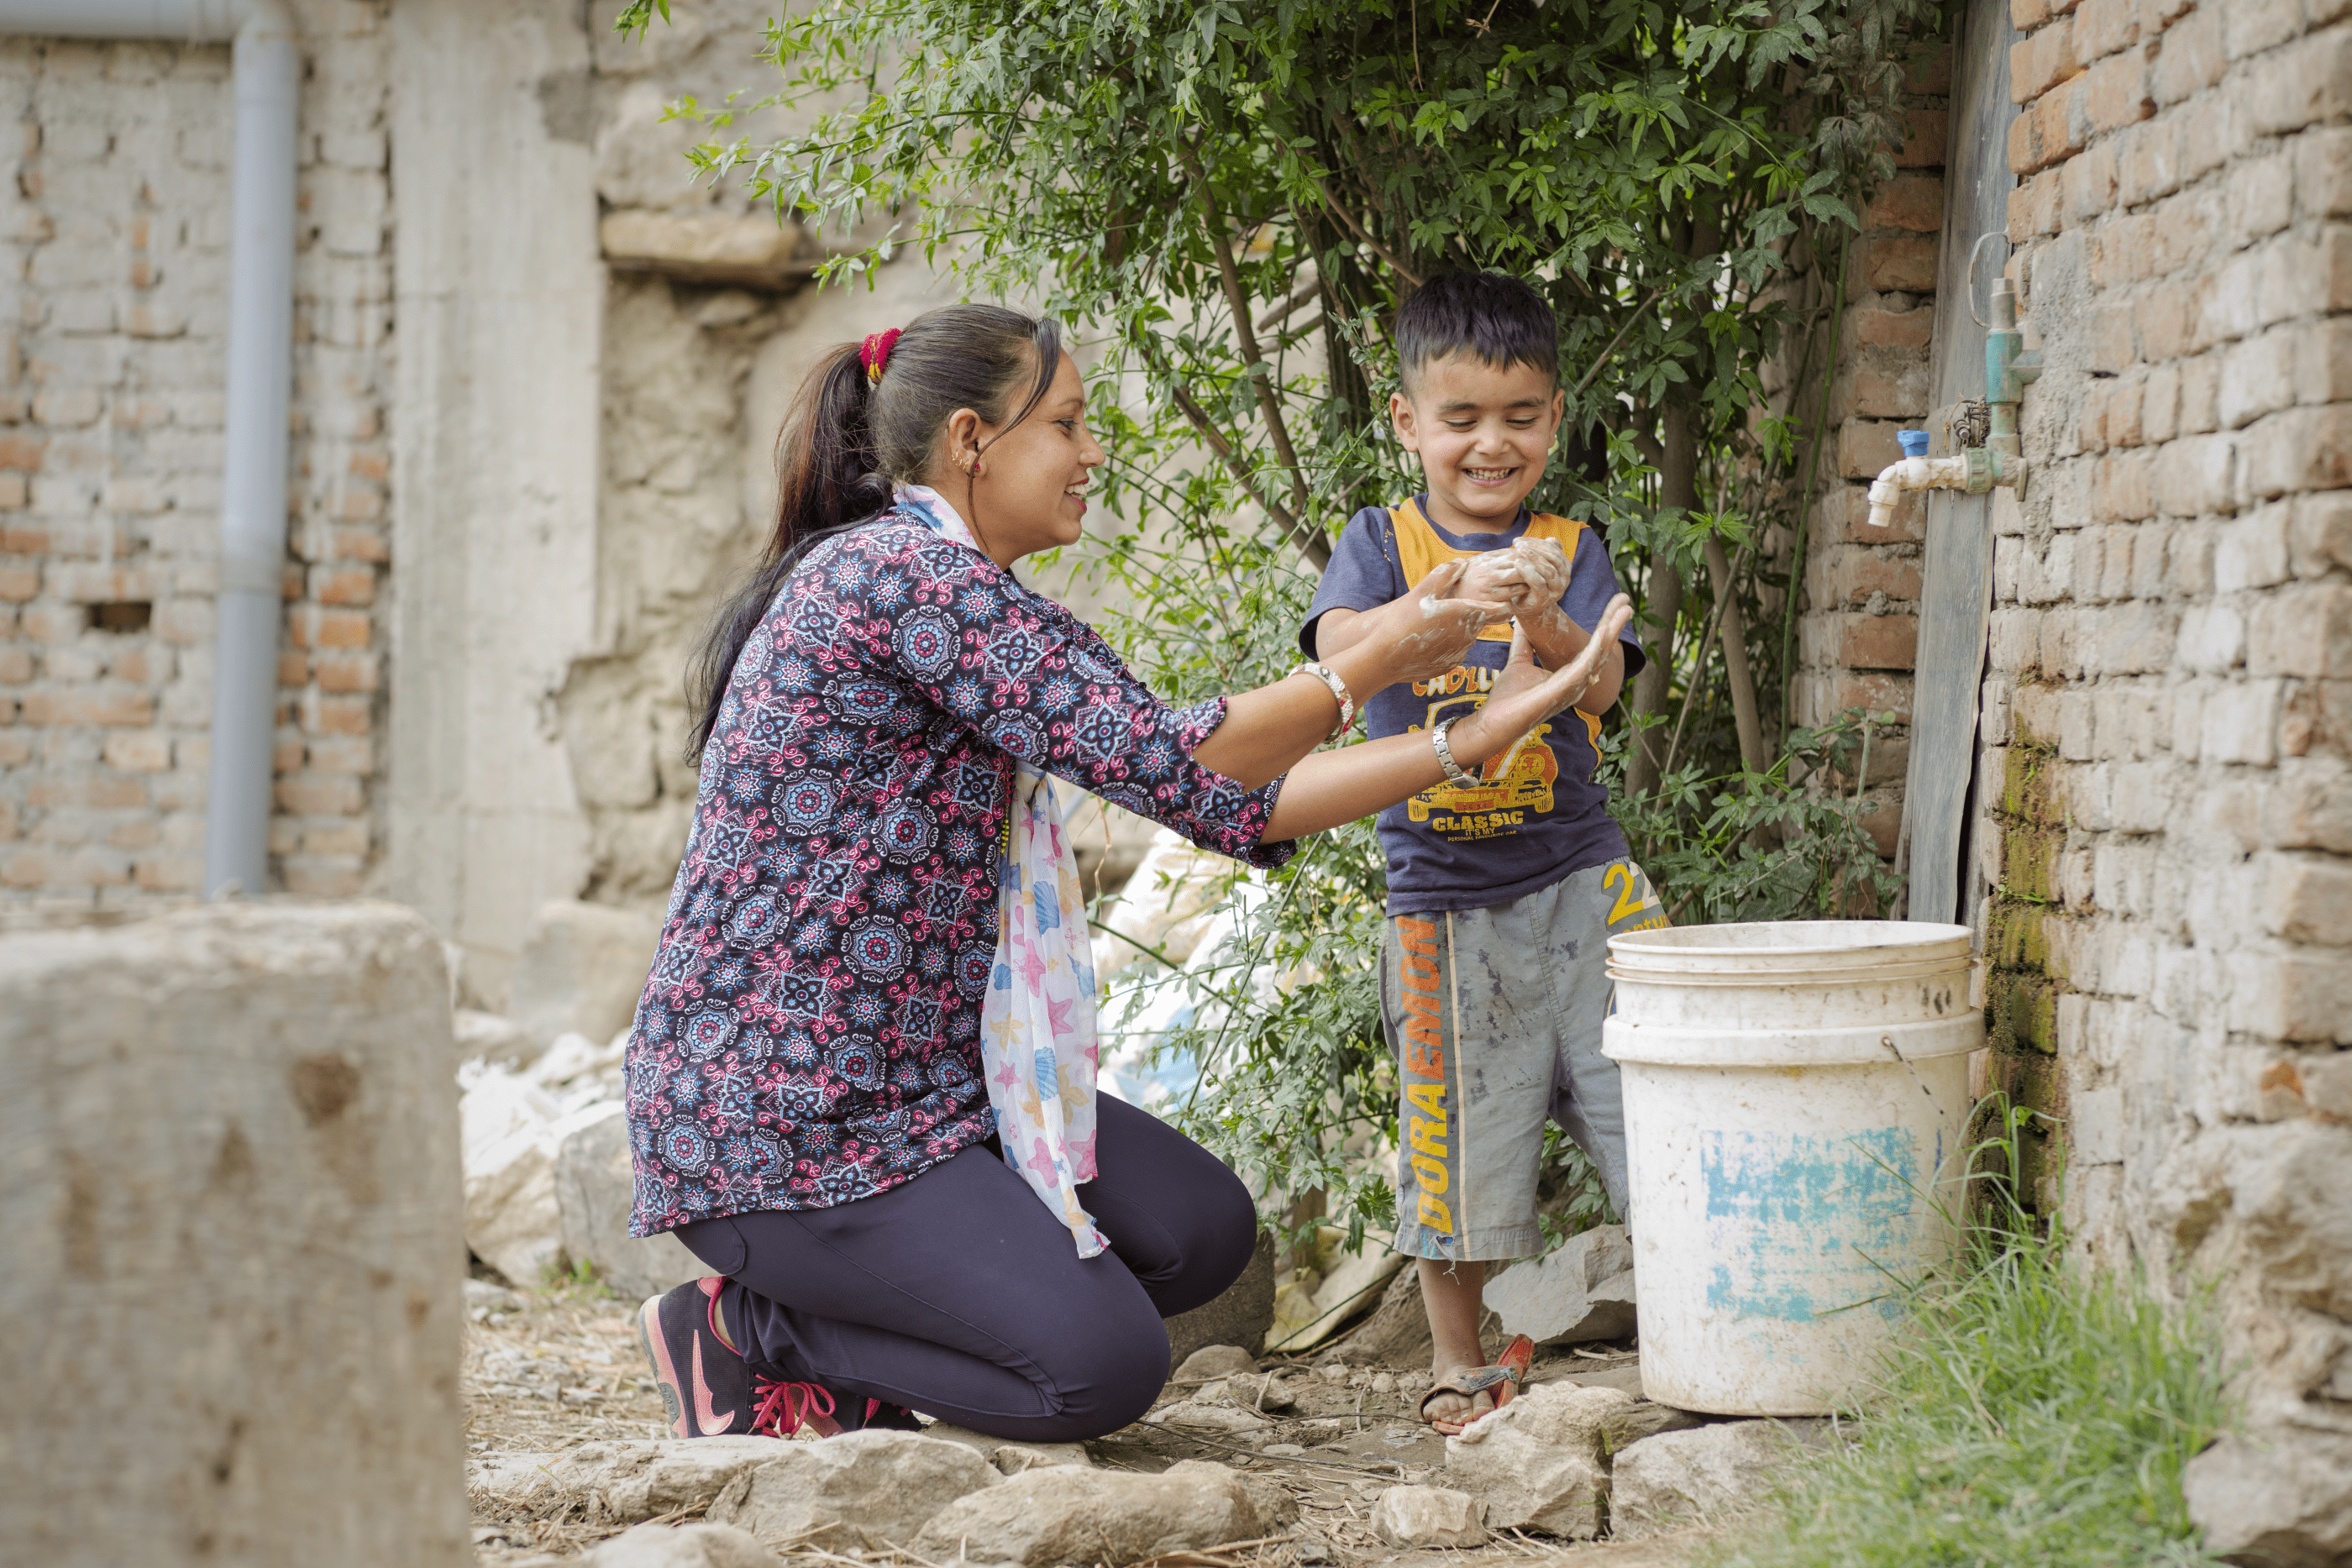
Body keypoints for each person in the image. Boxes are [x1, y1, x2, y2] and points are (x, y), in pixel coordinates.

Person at [625, 302, 1633, 1445]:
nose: (1093, 453)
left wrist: (1471, 732)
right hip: (789, 1126)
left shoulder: (967, 592)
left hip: (928, 1094)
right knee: (1100, 1372)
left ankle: (885, 1323)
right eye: (1067, 424)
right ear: (972, 440)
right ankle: (754, 1330)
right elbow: (1182, 759)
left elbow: (1214, 787)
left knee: (1201, 1232)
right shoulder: (906, 583)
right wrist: (1386, 661)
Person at [1300, 271, 1665, 1435]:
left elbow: (1601, 679)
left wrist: (1543, 613)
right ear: (1408, 422)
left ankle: (1708, 1314)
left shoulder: (1573, 544)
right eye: (1460, 419)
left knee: (1662, 1101)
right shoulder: (1380, 542)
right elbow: (1348, 651)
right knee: (1454, 1141)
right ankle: (1462, 1365)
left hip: (1587, 882)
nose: (1490, 444)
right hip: (1443, 906)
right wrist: (1452, 601)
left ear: (1554, 418)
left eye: (1518, 417)